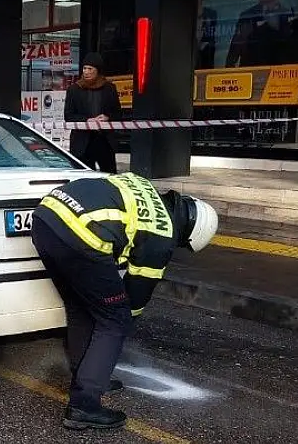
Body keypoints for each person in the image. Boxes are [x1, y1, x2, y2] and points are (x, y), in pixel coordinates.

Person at [31, 172, 219, 430]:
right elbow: (137, 294)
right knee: (115, 322)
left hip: (46, 218)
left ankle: (87, 376)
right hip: (81, 237)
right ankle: (84, 405)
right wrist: (123, 318)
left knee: (81, 307)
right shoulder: (162, 233)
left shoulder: (145, 187)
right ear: (187, 232)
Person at [64, 53, 121, 173]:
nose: (86, 72)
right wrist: (86, 120)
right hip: (82, 143)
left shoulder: (109, 88)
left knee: (109, 177)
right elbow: (68, 116)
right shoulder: (74, 89)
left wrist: (107, 117)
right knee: (85, 179)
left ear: (97, 71)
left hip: (104, 141)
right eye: (84, 68)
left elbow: (118, 113)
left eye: (90, 69)